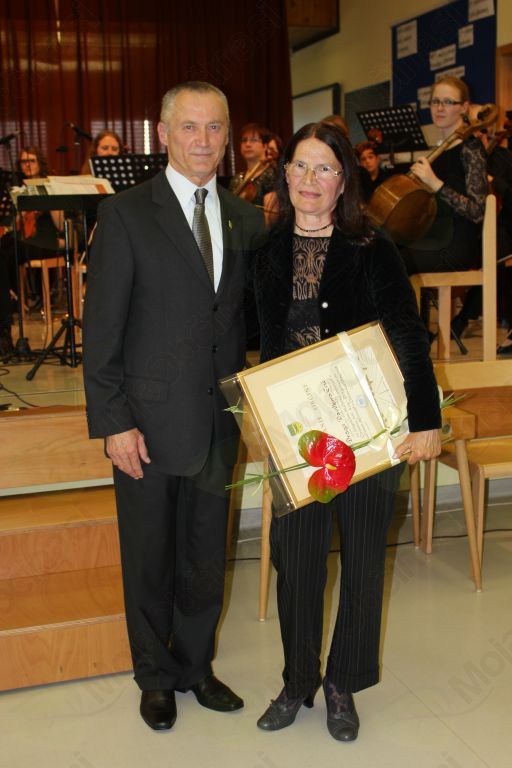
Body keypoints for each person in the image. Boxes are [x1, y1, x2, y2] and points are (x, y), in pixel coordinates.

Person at [83, 81, 265, 731]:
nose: (203, 141)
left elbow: (252, 320)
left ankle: (195, 667)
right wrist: (114, 423)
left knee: (205, 554)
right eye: (190, 126)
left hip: (218, 420)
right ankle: (154, 677)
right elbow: (102, 331)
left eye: (215, 127)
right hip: (147, 423)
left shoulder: (246, 219)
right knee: (149, 556)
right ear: (162, 133)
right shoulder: (127, 214)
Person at [252, 121, 441, 742]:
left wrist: (425, 420)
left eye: (325, 169)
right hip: (297, 434)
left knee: (362, 558)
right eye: (300, 166)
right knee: (296, 561)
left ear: (343, 182)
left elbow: (408, 334)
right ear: (286, 175)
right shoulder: (267, 250)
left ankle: (342, 684)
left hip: (367, 427)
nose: (310, 179)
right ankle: (297, 680)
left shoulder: (371, 248)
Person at [400, 77, 487, 277]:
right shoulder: (437, 153)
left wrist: (435, 183)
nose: (439, 108)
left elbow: (477, 212)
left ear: (464, 107)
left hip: (456, 246)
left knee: (392, 260)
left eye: (448, 102)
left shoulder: (472, 148)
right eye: (435, 101)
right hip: (432, 238)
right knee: (379, 248)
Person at [229, 123, 277, 207]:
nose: (247, 144)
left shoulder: (273, 175)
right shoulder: (236, 179)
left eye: (253, 140)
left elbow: (271, 213)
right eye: (244, 140)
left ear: (265, 146)